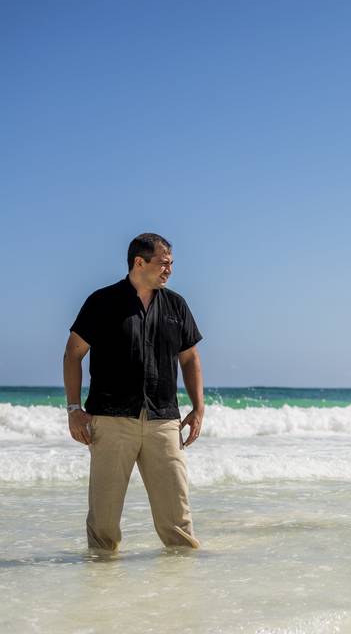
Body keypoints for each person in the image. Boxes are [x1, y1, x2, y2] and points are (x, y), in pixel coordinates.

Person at [63, 233, 204, 550]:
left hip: (163, 420)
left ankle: (184, 592)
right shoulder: (102, 302)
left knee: (178, 524)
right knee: (103, 525)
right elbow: (73, 353)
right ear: (139, 262)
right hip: (112, 421)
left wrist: (198, 408)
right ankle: (101, 591)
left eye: (171, 264)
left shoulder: (176, 305)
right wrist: (74, 410)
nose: (169, 270)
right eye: (163, 263)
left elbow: (190, 357)